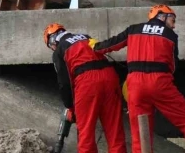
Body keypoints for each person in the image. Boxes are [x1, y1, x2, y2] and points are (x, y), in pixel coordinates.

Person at [91, 5, 185, 153]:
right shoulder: (170, 35)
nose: (174, 24)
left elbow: (109, 45)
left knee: (139, 133)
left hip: (135, 85)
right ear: (161, 16)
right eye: (172, 19)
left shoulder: (133, 29)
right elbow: (172, 65)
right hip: (160, 82)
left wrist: (95, 46)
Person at [44, 23, 127, 153]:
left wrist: (71, 107)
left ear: (52, 41)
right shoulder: (85, 37)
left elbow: (64, 84)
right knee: (115, 131)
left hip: (87, 83)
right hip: (110, 77)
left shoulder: (60, 51)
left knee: (86, 134)